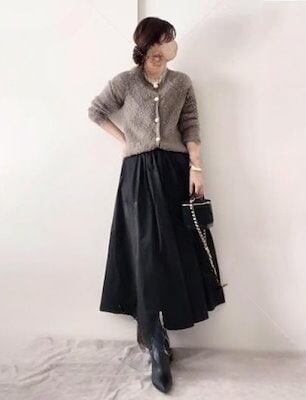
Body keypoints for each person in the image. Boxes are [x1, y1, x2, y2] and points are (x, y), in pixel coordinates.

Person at [88, 16, 226, 394]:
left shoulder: (181, 82)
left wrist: (196, 167)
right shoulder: (125, 82)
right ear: (150, 44)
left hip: (174, 171)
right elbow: (96, 111)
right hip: (137, 174)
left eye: (172, 39)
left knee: (175, 250)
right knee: (144, 251)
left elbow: (191, 126)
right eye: (166, 39)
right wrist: (127, 141)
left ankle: (159, 332)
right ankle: (153, 336)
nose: (170, 45)